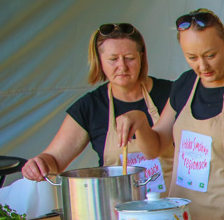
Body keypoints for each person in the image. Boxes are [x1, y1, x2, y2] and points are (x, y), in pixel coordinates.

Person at [116, 9, 224, 220]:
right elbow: (154, 148)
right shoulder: (184, 84)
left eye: (210, 55)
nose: (202, 66)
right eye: (192, 57)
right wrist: (139, 121)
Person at [22, 23, 172, 193]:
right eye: (113, 59)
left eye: (129, 58)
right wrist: (39, 164)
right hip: (116, 207)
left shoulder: (173, 94)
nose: (122, 66)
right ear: (100, 61)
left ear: (141, 57)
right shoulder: (90, 107)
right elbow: (54, 160)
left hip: (175, 204)